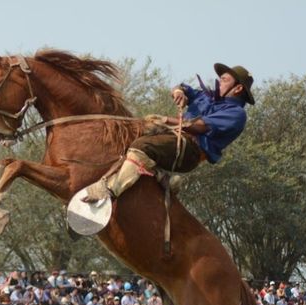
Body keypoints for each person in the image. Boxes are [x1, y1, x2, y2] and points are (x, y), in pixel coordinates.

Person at [83, 63, 255, 203]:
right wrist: (178, 91)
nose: (219, 81)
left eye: (224, 79)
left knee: (143, 146)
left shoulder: (236, 114)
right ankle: (159, 175)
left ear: (238, 88)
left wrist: (164, 120)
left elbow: (199, 127)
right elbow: (182, 88)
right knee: (126, 131)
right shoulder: (206, 96)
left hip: (190, 150)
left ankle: (109, 193)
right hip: (171, 137)